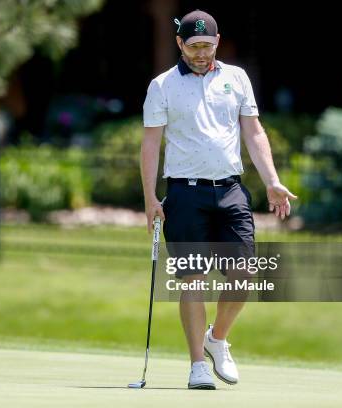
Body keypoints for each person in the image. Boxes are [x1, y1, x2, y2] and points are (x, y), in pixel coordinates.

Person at [140, 9, 297, 390]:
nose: (200, 53)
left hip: (230, 191)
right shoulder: (162, 86)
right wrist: (149, 198)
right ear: (180, 43)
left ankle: (217, 338)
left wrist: (272, 181)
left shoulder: (236, 78)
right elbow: (150, 144)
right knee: (193, 281)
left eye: (207, 46)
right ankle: (197, 365)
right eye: (193, 46)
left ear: (217, 42)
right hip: (184, 193)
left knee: (244, 274)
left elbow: (254, 133)